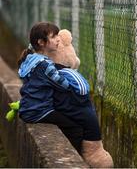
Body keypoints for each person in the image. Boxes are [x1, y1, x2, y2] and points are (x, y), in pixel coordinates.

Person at [18, 22, 113, 167]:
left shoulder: (30, 60)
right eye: (54, 36)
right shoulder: (44, 65)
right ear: (41, 43)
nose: (58, 39)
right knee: (75, 128)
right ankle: (73, 159)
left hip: (28, 109)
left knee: (67, 122)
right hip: (40, 111)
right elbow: (60, 83)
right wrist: (72, 86)